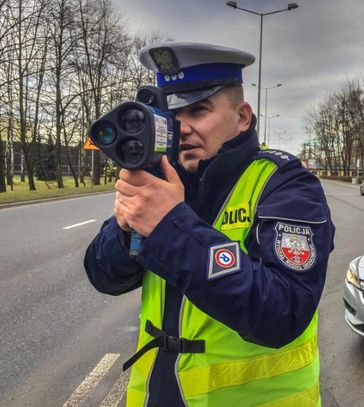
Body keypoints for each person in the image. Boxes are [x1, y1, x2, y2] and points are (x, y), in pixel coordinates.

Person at [84, 42, 335, 406]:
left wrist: (170, 226)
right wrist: (125, 229)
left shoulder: (286, 185)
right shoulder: (164, 181)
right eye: (170, 115)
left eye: (198, 110)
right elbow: (103, 276)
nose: (180, 128)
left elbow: (284, 311)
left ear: (243, 117)